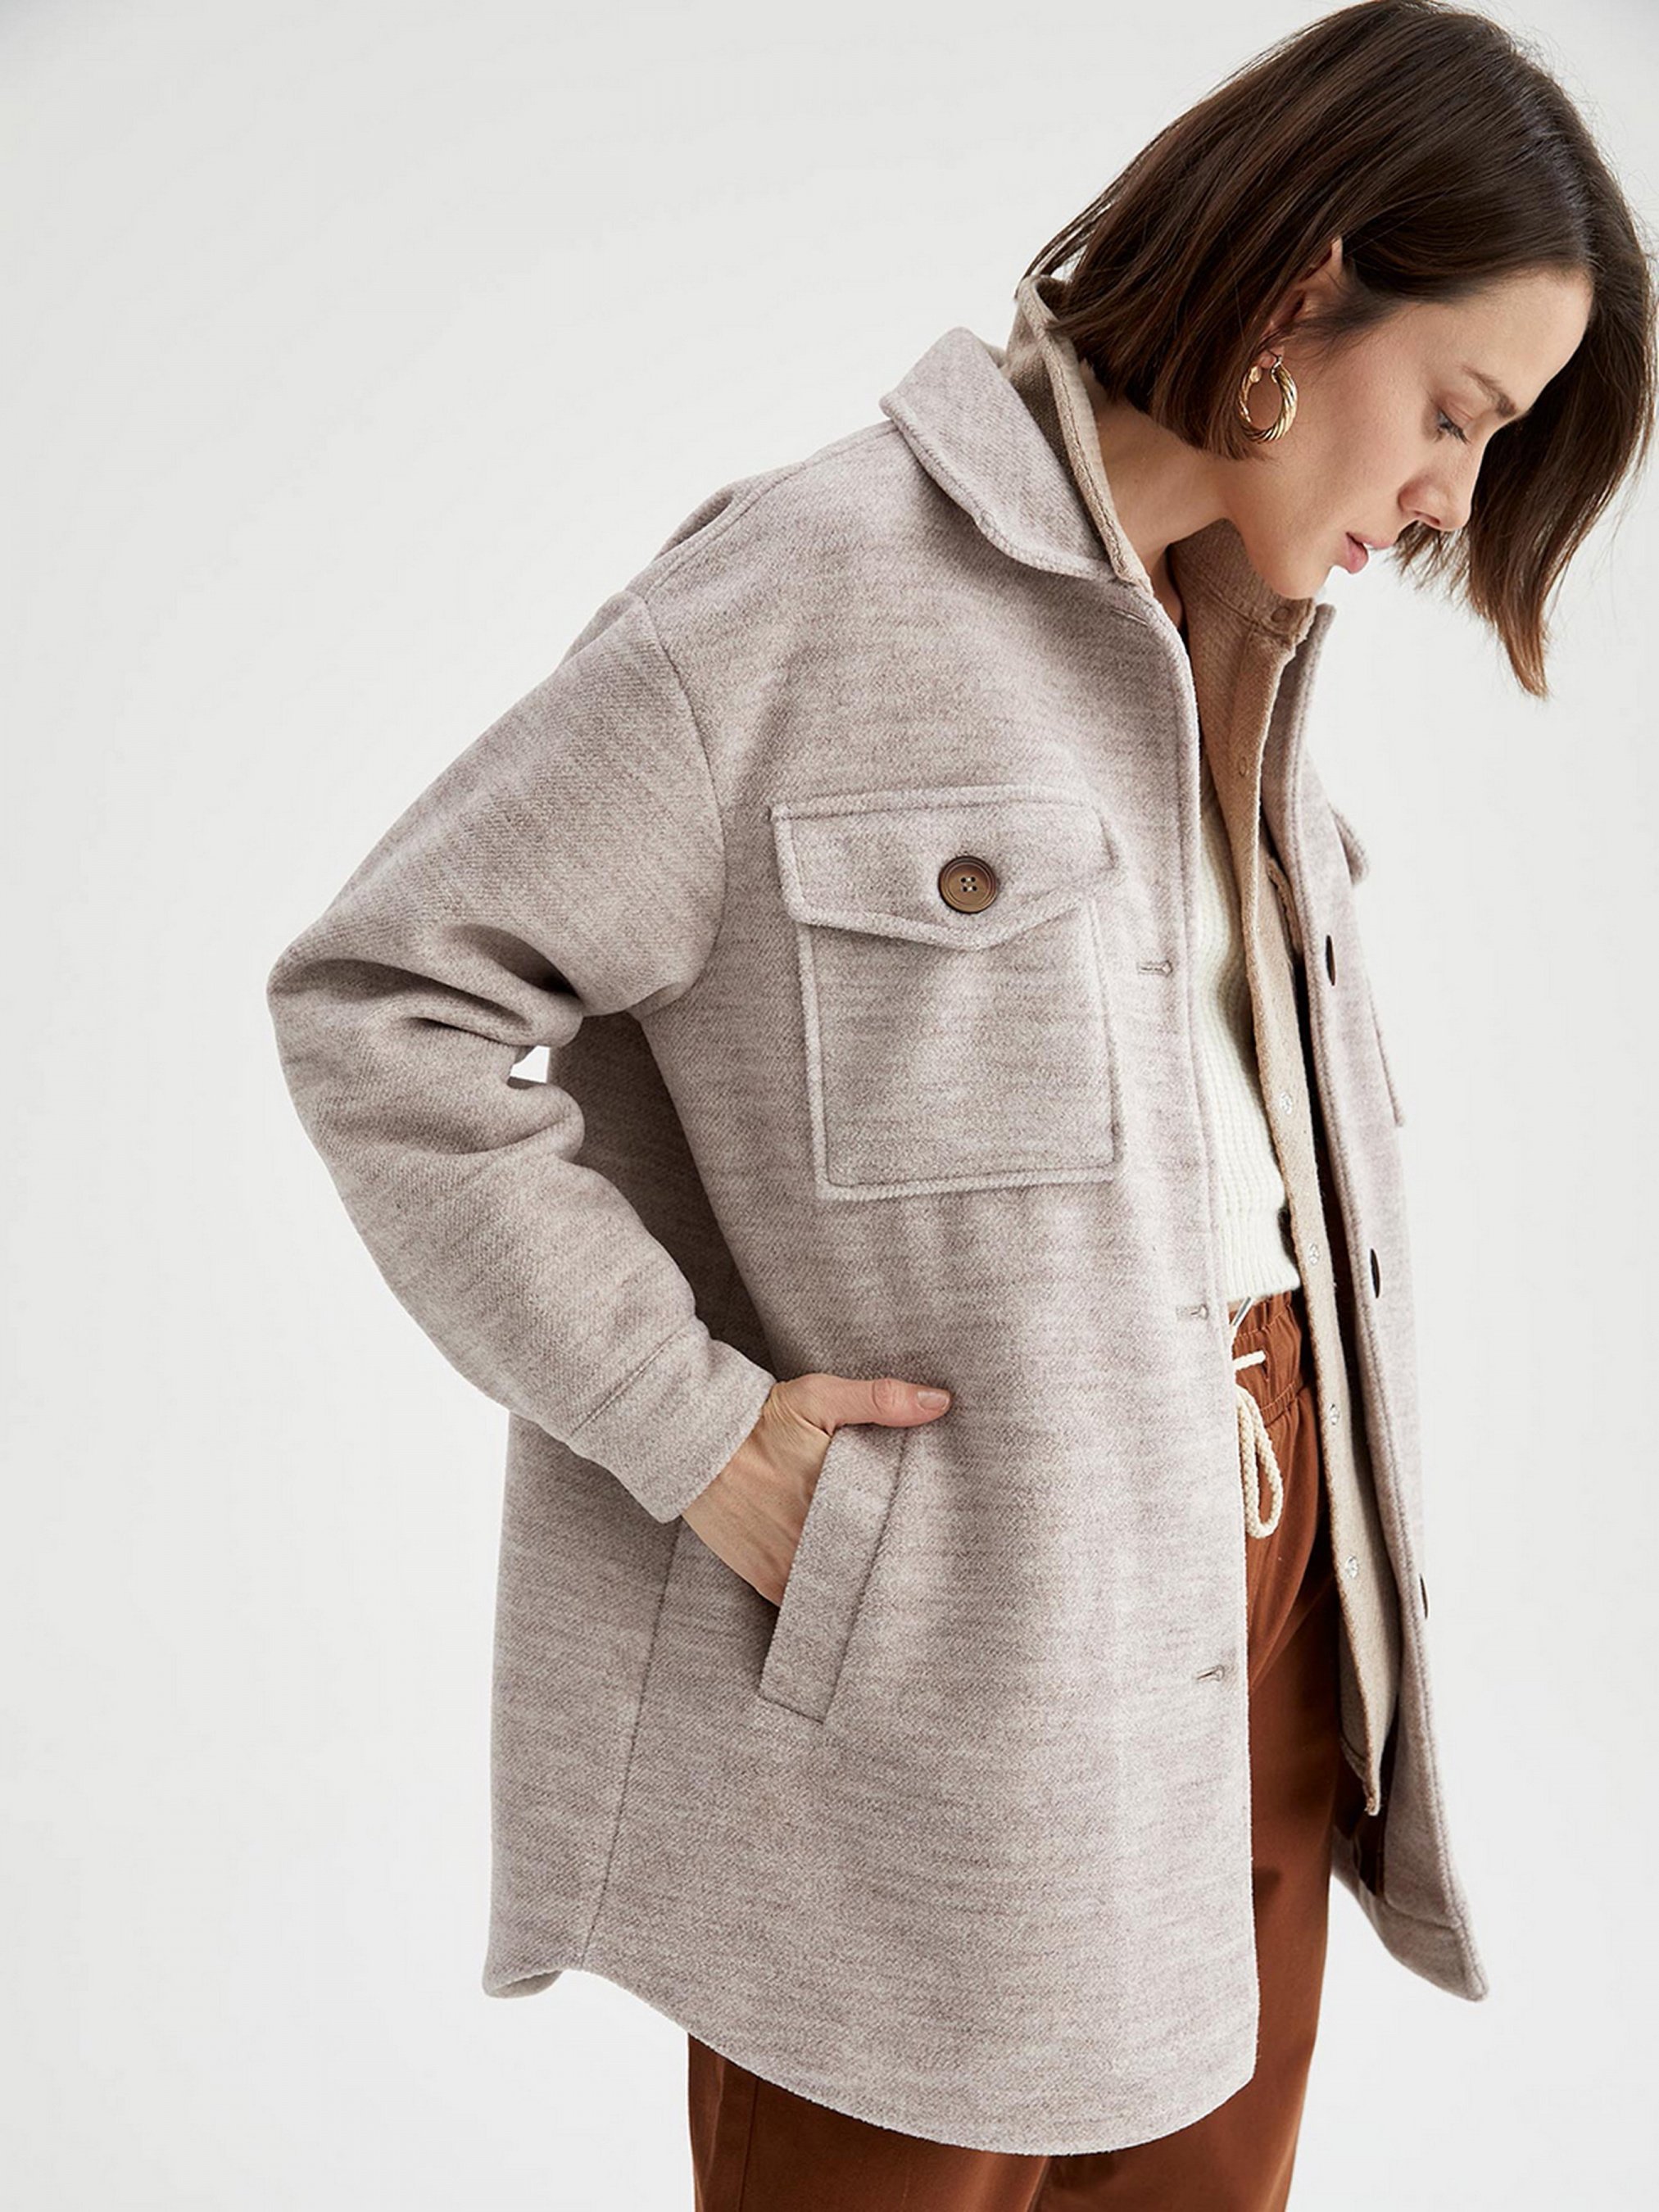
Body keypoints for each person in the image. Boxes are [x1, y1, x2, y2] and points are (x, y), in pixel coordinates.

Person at [265, 2, 1655, 2204]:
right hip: (946, 1660)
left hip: (1273, 1605)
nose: (1449, 504)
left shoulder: (1239, 647)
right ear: (1304, 292)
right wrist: (691, 1425)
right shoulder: (813, 586)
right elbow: (386, 1001)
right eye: (1457, 416)